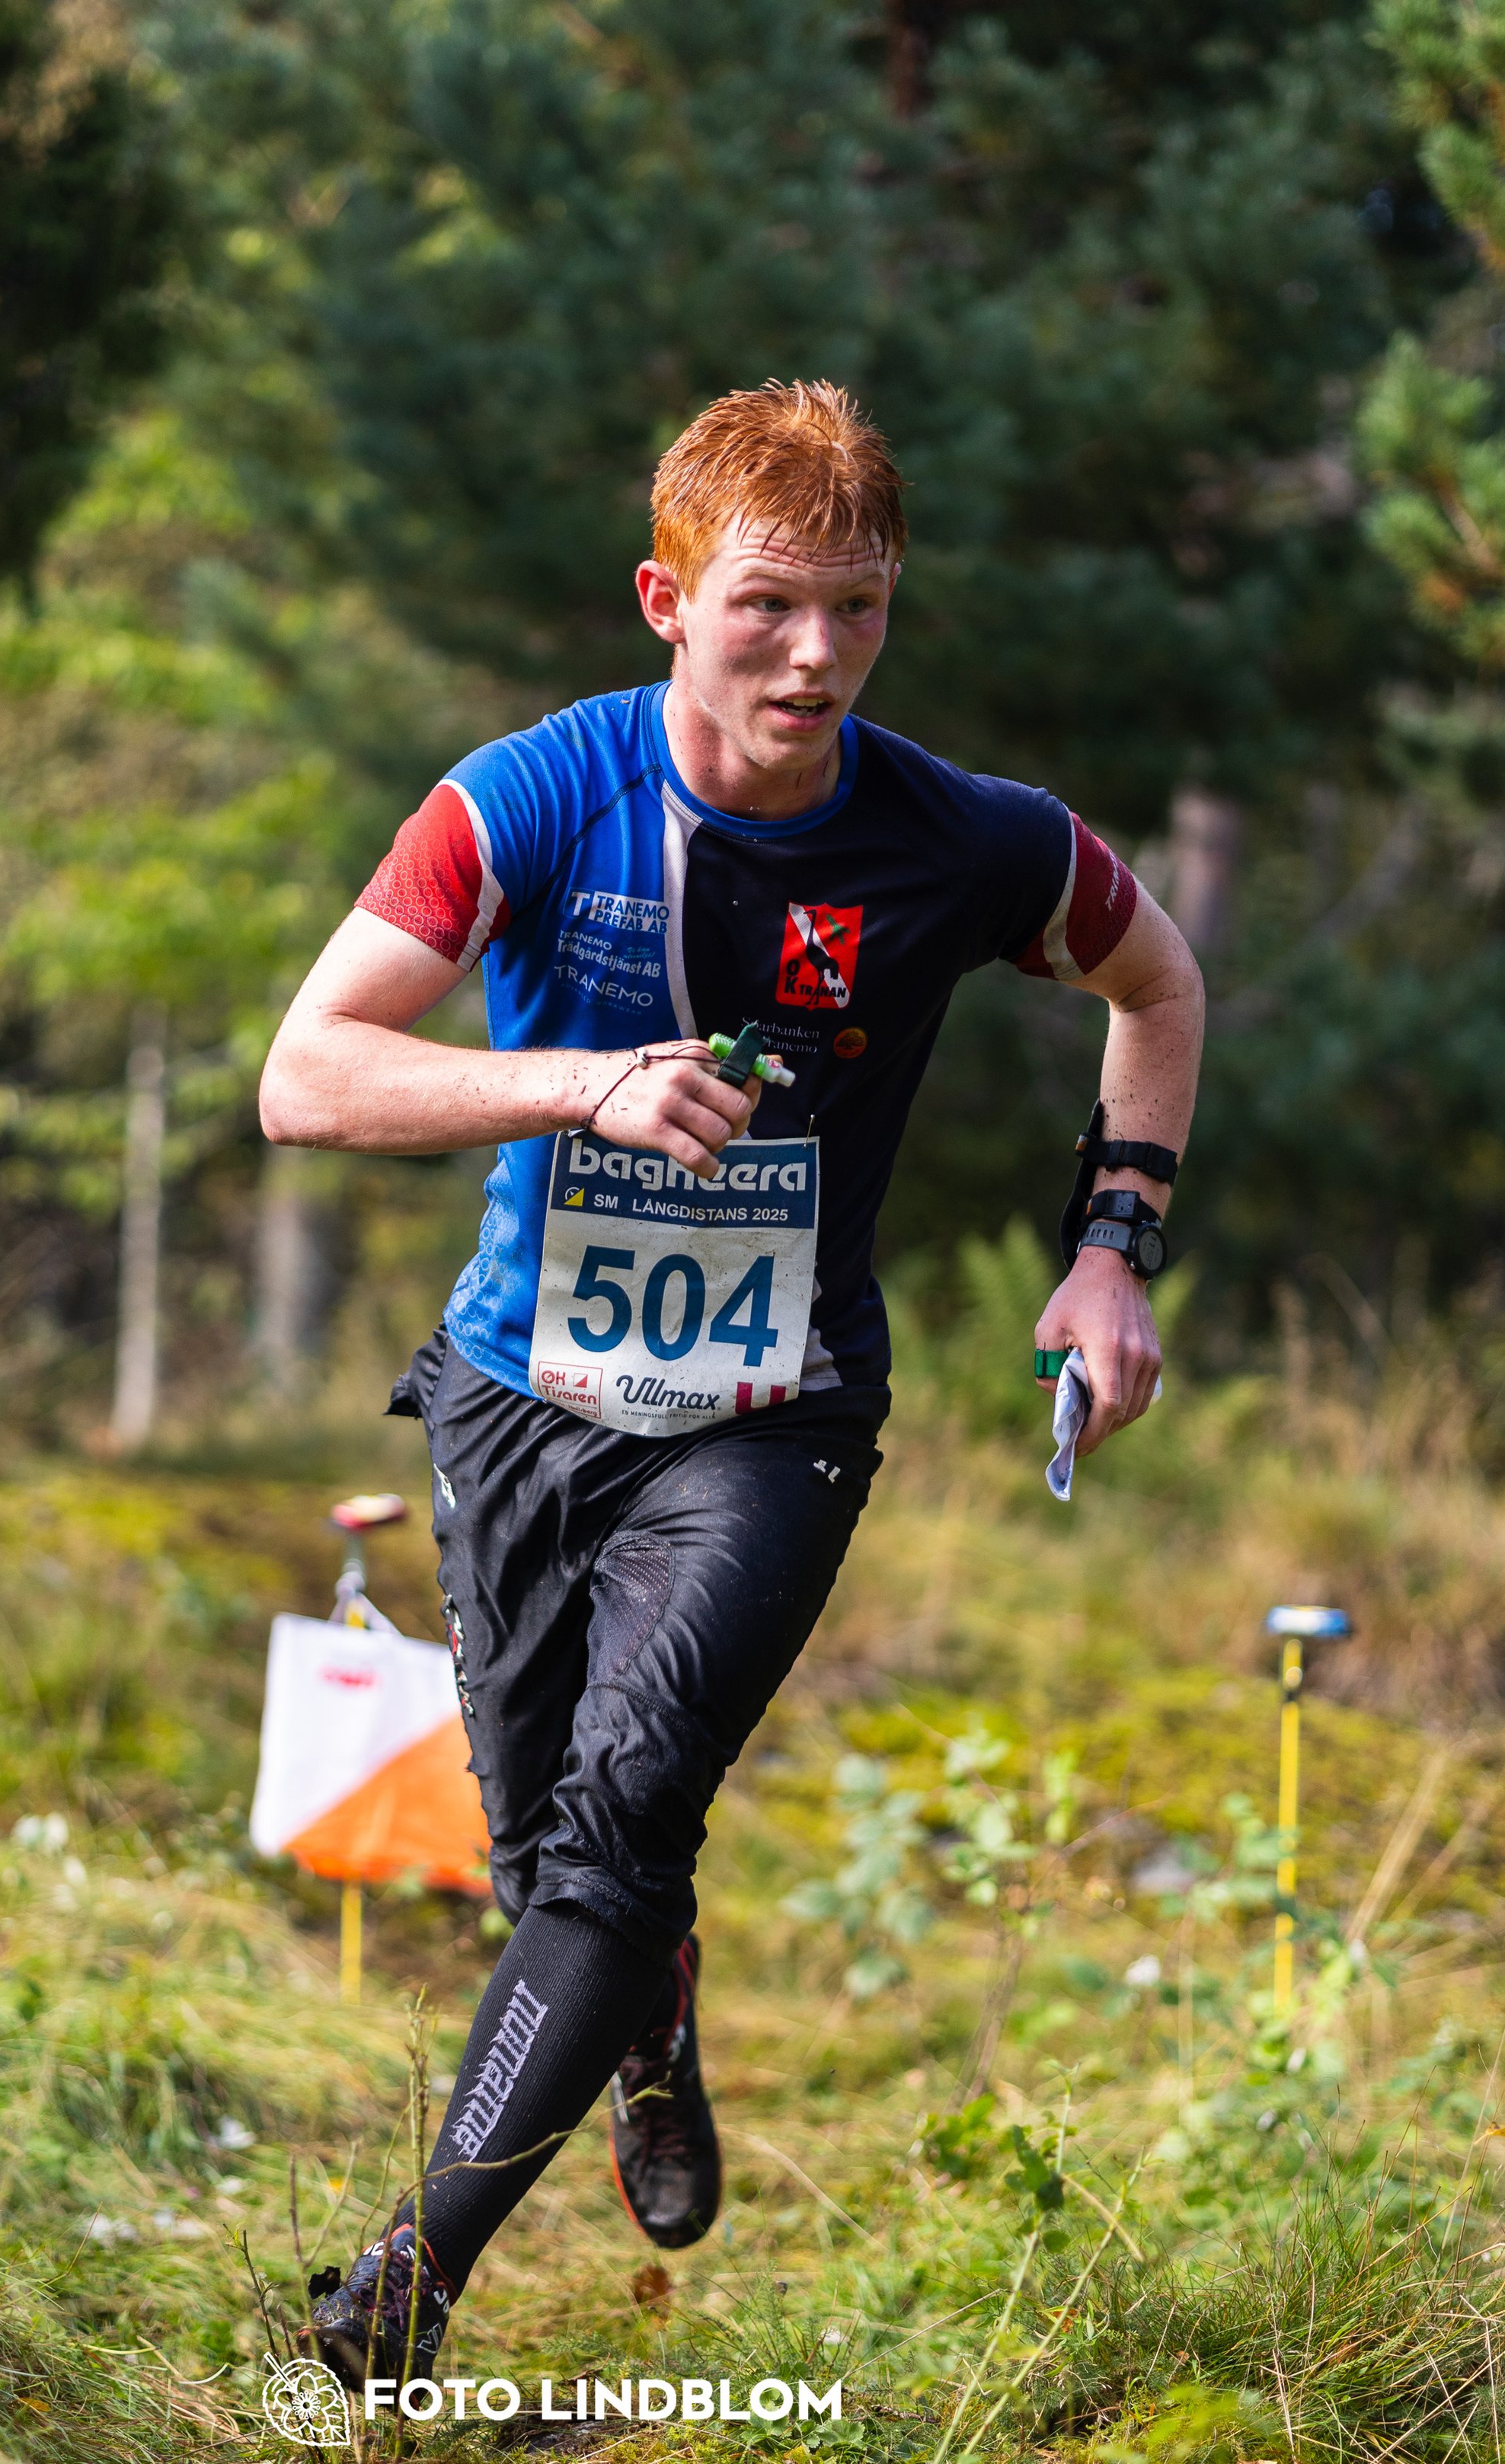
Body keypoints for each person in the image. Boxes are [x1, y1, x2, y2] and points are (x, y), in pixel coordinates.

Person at [258, 379, 1203, 2386]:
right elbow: (304, 1074)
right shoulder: (525, 796)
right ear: (663, 598)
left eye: (856, 611)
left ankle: (398, 2296)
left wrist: (1110, 1248)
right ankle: (648, 2020)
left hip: (776, 1412)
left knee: (609, 1836)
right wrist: (578, 1079)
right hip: (525, 1391)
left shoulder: (961, 836)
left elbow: (1157, 982)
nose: (814, 655)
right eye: (768, 605)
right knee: (547, 1860)